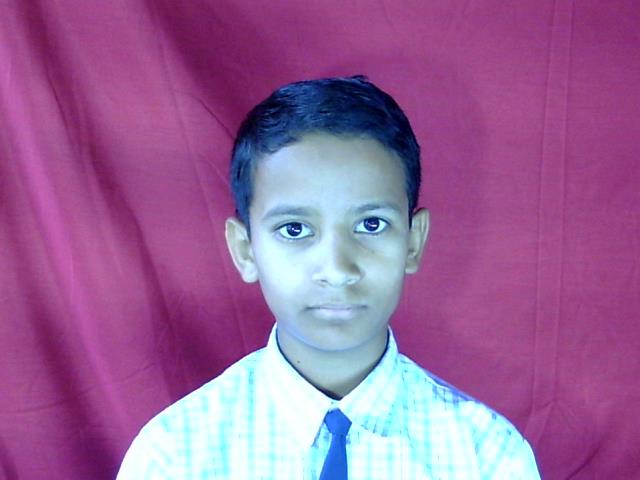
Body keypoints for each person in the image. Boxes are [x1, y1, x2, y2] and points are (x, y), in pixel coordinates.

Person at [117, 76, 540, 479]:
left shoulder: (488, 457)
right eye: (294, 229)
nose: (337, 270)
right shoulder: (173, 457)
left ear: (413, 242)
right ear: (245, 249)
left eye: (371, 225)